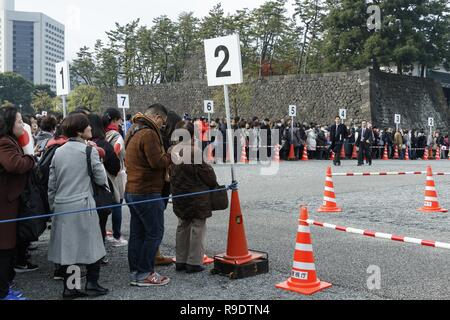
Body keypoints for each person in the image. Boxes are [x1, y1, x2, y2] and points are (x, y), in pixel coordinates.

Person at [48, 113, 109, 299]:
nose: (91, 128)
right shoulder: (89, 151)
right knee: (93, 246)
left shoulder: (58, 151)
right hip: (83, 202)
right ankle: (92, 283)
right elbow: (101, 178)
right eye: (87, 126)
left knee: (69, 249)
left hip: (62, 204)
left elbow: (52, 184)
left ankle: (71, 287)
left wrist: (53, 206)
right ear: (80, 132)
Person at [125, 104, 172, 287]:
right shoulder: (150, 133)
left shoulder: (133, 129)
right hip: (147, 191)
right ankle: (145, 272)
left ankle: (136, 271)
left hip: (132, 189)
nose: (163, 126)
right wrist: (170, 154)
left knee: (138, 233)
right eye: (163, 123)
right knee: (154, 233)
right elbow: (157, 162)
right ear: (158, 117)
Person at [170, 122, 218, 273]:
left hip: (179, 194)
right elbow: (208, 175)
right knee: (197, 226)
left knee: (182, 225)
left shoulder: (171, 150)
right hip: (196, 196)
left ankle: (180, 260)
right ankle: (194, 262)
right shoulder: (194, 152)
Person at [0, 106, 35, 300]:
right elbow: (15, 164)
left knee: (8, 250)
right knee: (4, 250)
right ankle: (3, 292)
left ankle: (5, 288)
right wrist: (31, 158)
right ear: (9, 123)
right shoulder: (5, 142)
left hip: (8, 204)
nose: (24, 125)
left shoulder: (9, 141)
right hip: (5, 206)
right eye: (20, 121)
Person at [88, 114, 121, 264]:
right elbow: (114, 167)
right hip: (100, 190)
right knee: (100, 223)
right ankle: (99, 255)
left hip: (83, 191)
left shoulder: (80, 144)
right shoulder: (102, 144)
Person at [102, 108, 128, 248]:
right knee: (117, 203)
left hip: (102, 172)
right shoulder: (117, 136)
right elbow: (117, 153)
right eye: (119, 120)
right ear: (115, 120)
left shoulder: (100, 133)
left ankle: (104, 233)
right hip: (116, 173)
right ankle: (117, 235)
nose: (120, 123)